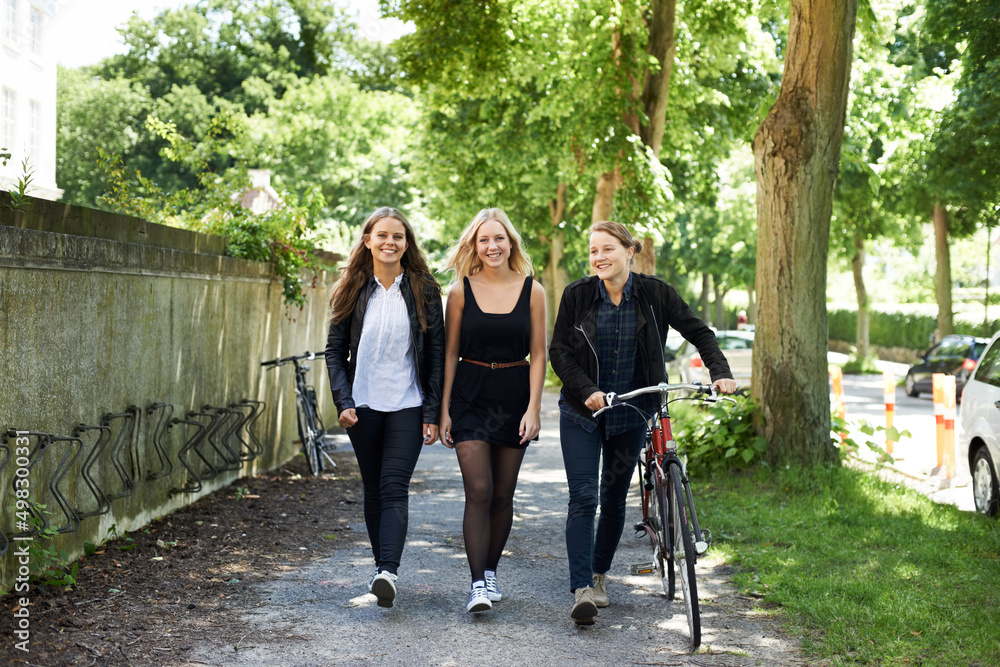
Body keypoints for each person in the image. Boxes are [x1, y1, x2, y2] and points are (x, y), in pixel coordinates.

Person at [549, 221, 738, 625]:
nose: (599, 257)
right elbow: (560, 352)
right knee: (584, 497)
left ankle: (599, 577)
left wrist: (719, 371)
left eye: (608, 249)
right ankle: (581, 588)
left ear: (630, 251)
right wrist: (586, 390)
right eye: (593, 250)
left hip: (633, 411)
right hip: (583, 413)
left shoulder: (656, 294)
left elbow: (699, 332)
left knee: (615, 498)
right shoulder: (578, 295)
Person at [325, 206, 445, 609]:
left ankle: (387, 572)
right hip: (363, 406)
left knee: (395, 486)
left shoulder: (424, 289)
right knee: (374, 489)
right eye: (382, 235)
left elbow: (437, 355)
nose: (390, 242)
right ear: (368, 241)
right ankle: (381, 571)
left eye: (398, 236)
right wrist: (343, 402)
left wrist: (431, 411)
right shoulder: (353, 287)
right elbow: (334, 351)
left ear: (406, 243)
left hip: (408, 404)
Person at [439, 208, 546, 614]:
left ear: (510, 243)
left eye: (499, 238)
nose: (492, 246)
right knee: (479, 490)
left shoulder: (532, 290)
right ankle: (477, 584)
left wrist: (534, 408)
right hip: (470, 392)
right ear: (474, 246)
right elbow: (450, 354)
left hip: (514, 393)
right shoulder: (460, 291)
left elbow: (538, 354)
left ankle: (491, 569)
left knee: (503, 494)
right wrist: (446, 408)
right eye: (484, 240)